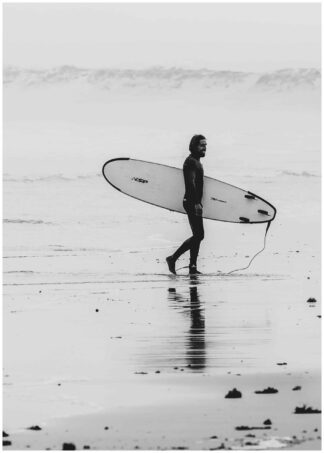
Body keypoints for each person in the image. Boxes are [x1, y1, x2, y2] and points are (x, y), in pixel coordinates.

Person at [166, 134, 207, 275]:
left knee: (197, 234)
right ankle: (173, 258)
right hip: (191, 202)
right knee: (199, 235)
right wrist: (196, 203)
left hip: (194, 201)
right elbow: (190, 184)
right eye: (202, 145)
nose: (204, 148)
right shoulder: (190, 162)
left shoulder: (196, 162)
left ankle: (192, 267)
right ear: (194, 146)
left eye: (205, 145)